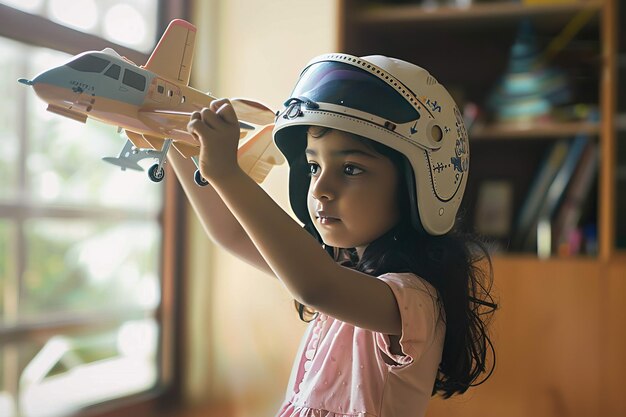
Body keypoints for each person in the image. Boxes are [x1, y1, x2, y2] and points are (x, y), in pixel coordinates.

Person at [168, 53, 497, 417]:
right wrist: (172, 139)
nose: (320, 188)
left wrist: (228, 173)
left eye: (351, 168)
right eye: (313, 166)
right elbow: (230, 232)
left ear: (415, 185)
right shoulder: (340, 269)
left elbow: (315, 286)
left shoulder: (412, 299)